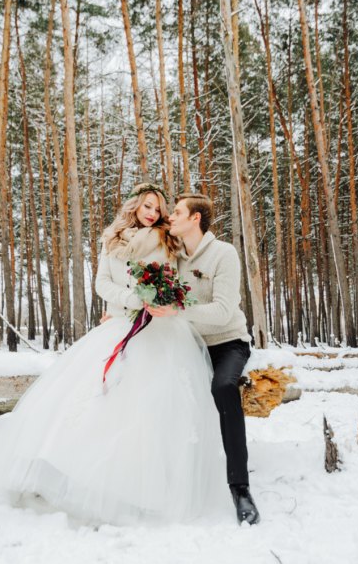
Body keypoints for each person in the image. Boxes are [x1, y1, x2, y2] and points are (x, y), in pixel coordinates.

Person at [0, 183, 227, 526]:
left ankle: (146, 491)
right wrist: (129, 302)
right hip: (122, 321)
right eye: (147, 206)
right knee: (93, 397)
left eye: (158, 209)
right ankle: (70, 474)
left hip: (162, 330)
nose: (153, 213)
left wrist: (159, 300)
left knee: (152, 405)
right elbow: (102, 283)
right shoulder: (111, 240)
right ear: (135, 206)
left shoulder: (168, 239)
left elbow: (179, 278)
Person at [145, 193, 260, 525]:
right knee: (155, 386)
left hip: (228, 343)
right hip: (190, 344)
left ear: (195, 219)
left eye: (177, 213)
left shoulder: (224, 254)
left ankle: (240, 488)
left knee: (223, 387)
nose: (170, 217)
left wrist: (178, 310)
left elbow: (224, 312)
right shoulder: (175, 259)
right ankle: (158, 477)